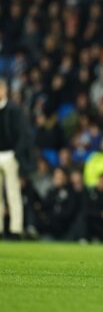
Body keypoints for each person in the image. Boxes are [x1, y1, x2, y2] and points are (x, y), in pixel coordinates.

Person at [0, 78, 35, 239]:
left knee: (13, 192)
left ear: (5, 90)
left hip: (9, 155)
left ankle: (15, 229)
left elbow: (24, 134)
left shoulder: (14, 110)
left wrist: (16, 153)